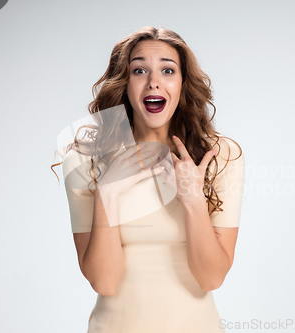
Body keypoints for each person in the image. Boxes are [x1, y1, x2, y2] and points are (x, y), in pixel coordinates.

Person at [52, 26, 245, 333]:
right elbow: (104, 281)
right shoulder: (84, 161)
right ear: (125, 83)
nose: (154, 81)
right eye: (139, 70)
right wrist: (107, 193)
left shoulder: (220, 156)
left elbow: (211, 278)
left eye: (167, 70)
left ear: (182, 82)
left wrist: (193, 200)